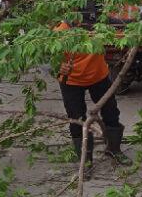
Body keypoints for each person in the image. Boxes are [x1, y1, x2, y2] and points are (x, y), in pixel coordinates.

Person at [55, 21, 131, 167]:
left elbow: (120, 34)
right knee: (77, 120)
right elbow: (49, 59)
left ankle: (114, 150)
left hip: (99, 76)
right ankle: (86, 161)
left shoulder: (98, 25)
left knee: (111, 113)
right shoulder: (59, 32)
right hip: (71, 81)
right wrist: (58, 66)